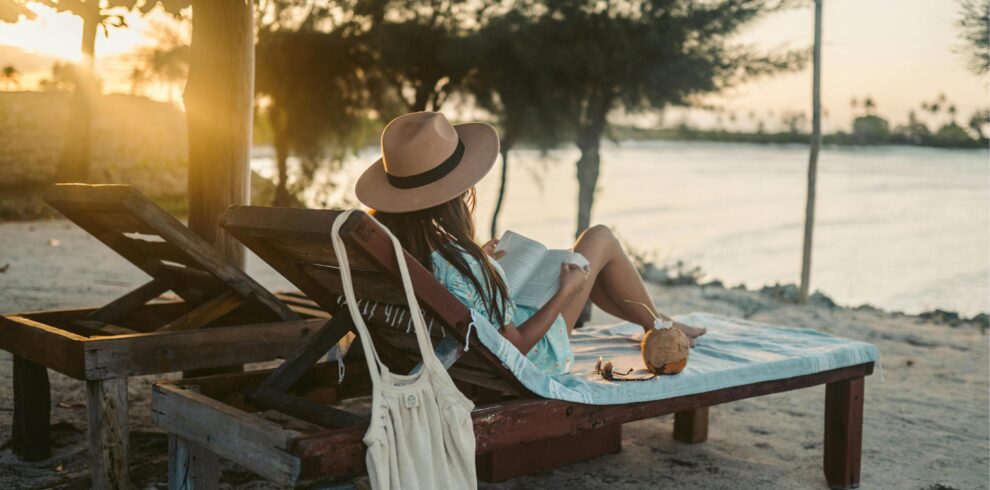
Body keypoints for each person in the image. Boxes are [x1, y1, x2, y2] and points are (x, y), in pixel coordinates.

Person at [356, 112, 706, 375]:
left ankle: (659, 321)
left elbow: (455, 291)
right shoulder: (459, 263)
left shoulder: (395, 251)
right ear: (458, 195)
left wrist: (480, 262)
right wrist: (565, 292)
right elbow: (517, 347)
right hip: (531, 357)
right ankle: (658, 325)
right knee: (598, 239)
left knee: (589, 263)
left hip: (449, 355)